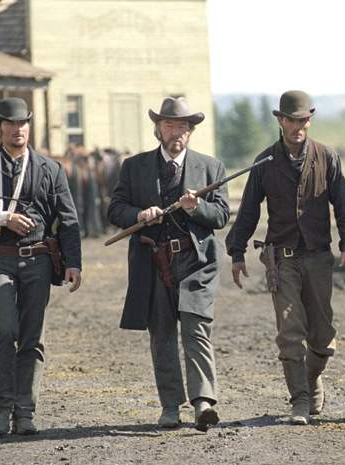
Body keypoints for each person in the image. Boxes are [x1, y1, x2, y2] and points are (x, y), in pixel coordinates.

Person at [0, 97, 82, 435]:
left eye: (23, 123)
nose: (18, 129)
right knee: (4, 329)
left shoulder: (50, 169)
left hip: (37, 259)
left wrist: (74, 263)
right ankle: (1, 407)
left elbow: (68, 219)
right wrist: (1, 217)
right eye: (10, 123)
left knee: (33, 337)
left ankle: (25, 411)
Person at [225, 90, 345, 425]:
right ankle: (299, 399)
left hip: (318, 257)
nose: (297, 126)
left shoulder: (327, 157)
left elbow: (343, 204)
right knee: (290, 331)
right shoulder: (265, 162)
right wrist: (237, 250)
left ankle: (311, 377)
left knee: (323, 337)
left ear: (309, 121)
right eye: (291, 119)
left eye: (303, 120)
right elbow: (247, 210)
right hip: (281, 259)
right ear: (280, 121)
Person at [108, 97, 230, 431]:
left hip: (197, 264)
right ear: (158, 129)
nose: (177, 132)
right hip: (153, 262)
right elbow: (115, 208)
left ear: (191, 132)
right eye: (170, 125)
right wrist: (138, 214)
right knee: (161, 333)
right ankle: (170, 406)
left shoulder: (211, 167)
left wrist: (195, 208)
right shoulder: (134, 167)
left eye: (183, 127)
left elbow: (220, 215)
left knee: (196, 328)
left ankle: (203, 402)